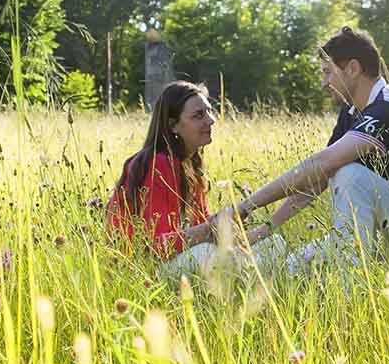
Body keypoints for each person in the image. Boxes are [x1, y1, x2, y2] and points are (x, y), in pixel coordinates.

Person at [225, 26, 389, 275]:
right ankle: (352, 277)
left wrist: (243, 207)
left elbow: (324, 162)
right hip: (382, 230)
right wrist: (264, 229)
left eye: (328, 73)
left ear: (353, 68)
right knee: (292, 271)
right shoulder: (352, 112)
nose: (324, 83)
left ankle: (351, 290)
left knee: (349, 174)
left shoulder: (388, 108)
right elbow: (317, 179)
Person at [107, 80, 283, 276]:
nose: (211, 120)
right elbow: (155, 247)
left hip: (181, 260)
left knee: (274, 244)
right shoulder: (157, 164)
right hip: (144, 269)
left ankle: (259, 286)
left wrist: (230, 228)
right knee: (208, 253)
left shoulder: (191, 164)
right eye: (199, 115)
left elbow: (202, 229)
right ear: (173, 126)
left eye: (209, 111)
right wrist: (212, 228)